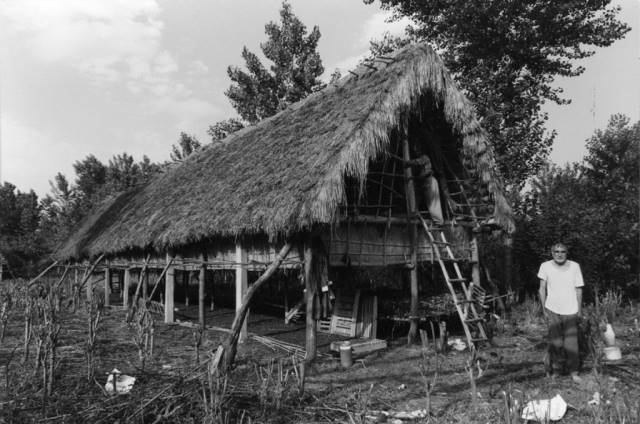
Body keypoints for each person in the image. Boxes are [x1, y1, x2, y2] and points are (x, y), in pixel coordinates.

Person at [538, 243, 584, 382]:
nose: (559, 254)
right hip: (552, 308)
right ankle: (556, 370)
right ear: (552, 253)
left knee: (571, 342)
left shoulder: (575, 266)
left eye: (562, 251)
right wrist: (544, 309)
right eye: (556, 251)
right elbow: (542, 288)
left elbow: (579, 289)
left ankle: (574, 372)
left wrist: (580, 310)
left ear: (566, 253)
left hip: (571, 309)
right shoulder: (545, 266)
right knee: (555, 341)